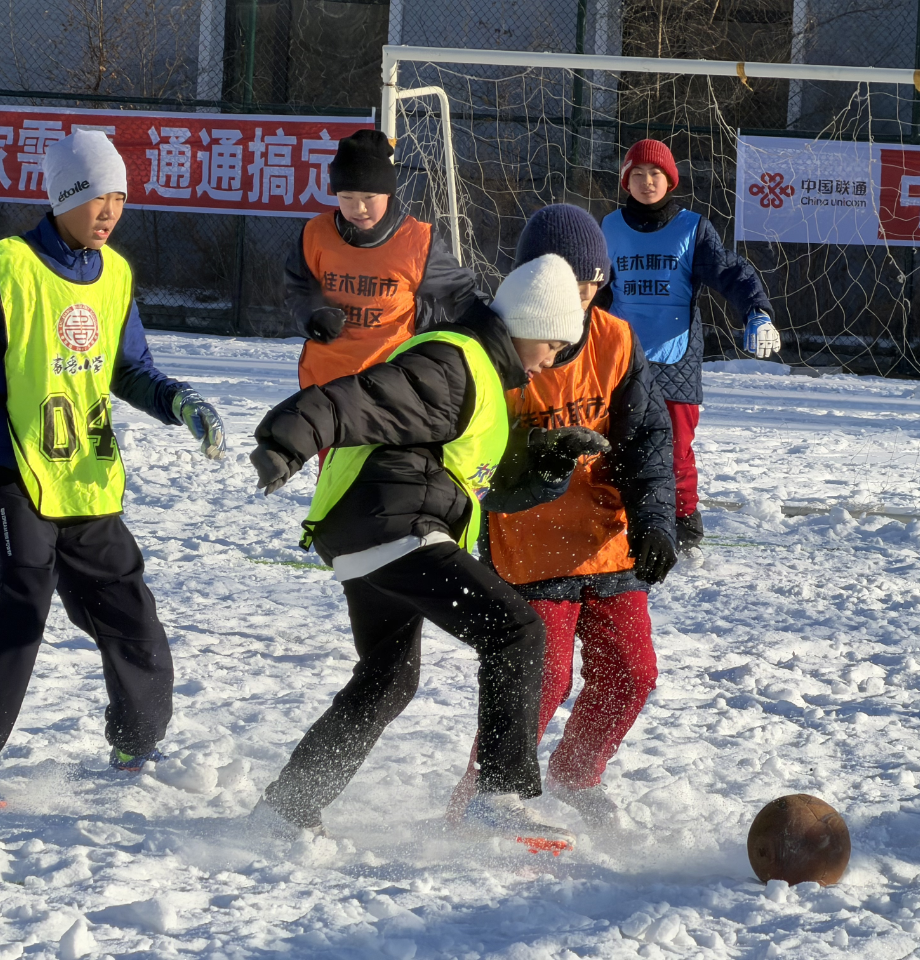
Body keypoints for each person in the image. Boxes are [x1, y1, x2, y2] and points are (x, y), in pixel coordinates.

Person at [0, 130, 226, 807]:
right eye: (95, 197)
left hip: (83, 474)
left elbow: (129, 369)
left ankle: (136, 745)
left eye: (119, 198)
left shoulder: (115, 274)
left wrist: (179, 401)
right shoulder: (8, 265)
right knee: (24, 606)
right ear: (62, 197)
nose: (109, 212)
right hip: (9, 467)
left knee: (130, 613)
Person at [249, 254, 609, 846]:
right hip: (393, 526)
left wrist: (545, 460)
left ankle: (287, 808)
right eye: (554, 344)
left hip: (370, 534)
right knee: (515, 630)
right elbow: (360, 398)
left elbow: (469, 475)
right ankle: (500, 795)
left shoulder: (481, 377)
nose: (553, 360)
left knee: (389, 678)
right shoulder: (453, 363)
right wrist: (287, 441)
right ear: (531, 325)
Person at [445, 204, 678, 827]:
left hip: (606, 540)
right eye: (567, 283)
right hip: (529, 544)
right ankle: (481, 799)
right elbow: (480, 457)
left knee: (631, 674)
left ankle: (576, 775)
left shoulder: (617, 340)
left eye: (590, 284)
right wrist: (542, 455)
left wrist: (657, 520)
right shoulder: (496, 351)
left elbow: (648, 440)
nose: (580, 297)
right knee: (537, 682)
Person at [600, 138, 779, 548]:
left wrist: (757, 311)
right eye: (638, 174)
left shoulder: (691, 228)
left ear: (670, 180)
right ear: (626, 181)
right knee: (615, 443)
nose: (647, 181)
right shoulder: (609, 227)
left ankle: (683, 525)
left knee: (676, 448)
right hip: (621, 358)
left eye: (656, 174)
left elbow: (731, 272)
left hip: (675, 360)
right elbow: (594, 287)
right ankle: (617, 525)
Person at [284, 128, 476, 392]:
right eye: (347, 197)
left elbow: (461, 295)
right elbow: (298, 290)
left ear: (388, 193)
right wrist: (312, 317)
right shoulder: (315, 233)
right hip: (325, 383)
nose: (358, 208)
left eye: (369, 198)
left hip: (392, 383)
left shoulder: (418, 241)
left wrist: (496, 336)